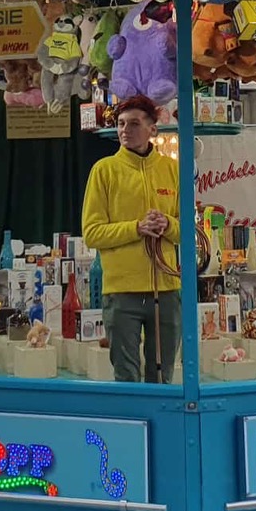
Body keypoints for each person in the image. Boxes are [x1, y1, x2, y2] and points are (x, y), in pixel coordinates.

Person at [81, 94, 181, 382]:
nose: (125, 130)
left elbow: (189, 231)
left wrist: (168, 224)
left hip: (167, 290)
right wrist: (136, 228)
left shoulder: (172, 169)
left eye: (134, 123)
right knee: (126, 376)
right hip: (121, 292)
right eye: (121, 124)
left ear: (153, 129)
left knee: (162, 377)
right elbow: (92, 233)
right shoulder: (104, 171)